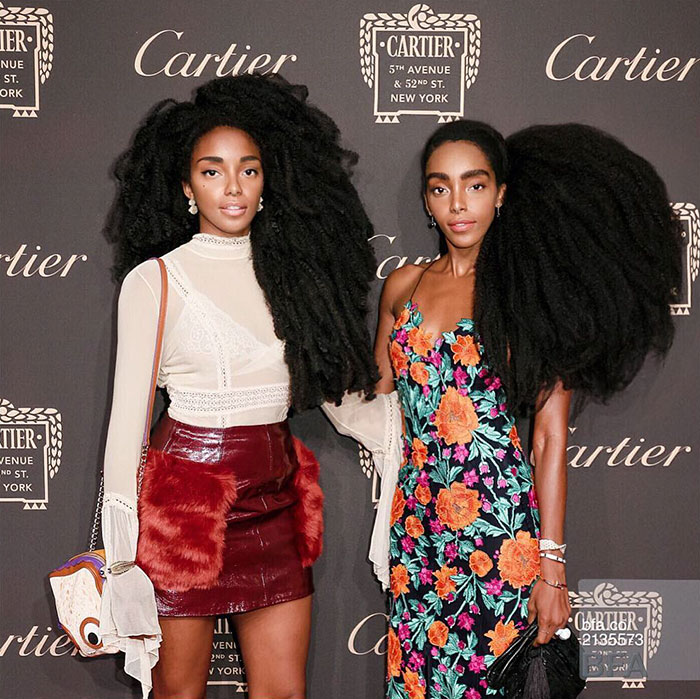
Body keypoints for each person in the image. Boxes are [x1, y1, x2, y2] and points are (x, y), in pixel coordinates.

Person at [365, 120, 682, 697]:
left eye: (475, 185)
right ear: (426, 200)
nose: (458, 204)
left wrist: (551, 569)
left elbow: (549, 437)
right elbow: (377, 403)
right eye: (440, 187)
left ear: (501, 193)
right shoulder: (402, 287)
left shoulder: (530, 293)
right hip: (418, 527)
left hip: (500, 528)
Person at [98, 74, 380, 699]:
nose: (232, 187)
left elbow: (339, 397)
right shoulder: (154, 280)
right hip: (183, 511)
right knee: (179, 694)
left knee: (284, 692)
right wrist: (119, 559)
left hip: (276, 501)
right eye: (212, 171)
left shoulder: (296, 278)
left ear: (268, 179)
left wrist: (420, 435)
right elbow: (126, 427)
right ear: (185, 186)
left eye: (248, 170)